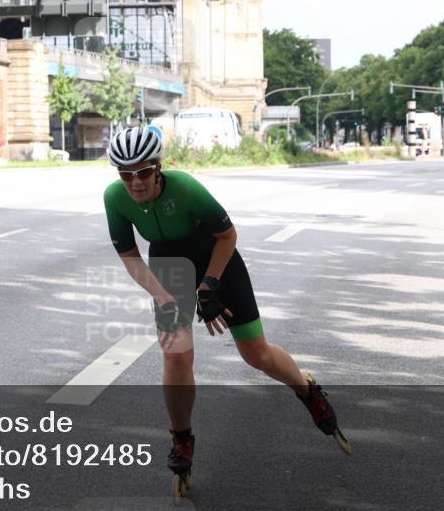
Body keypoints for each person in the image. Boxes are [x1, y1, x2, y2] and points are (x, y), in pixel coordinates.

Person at [102, 126, 349, 488]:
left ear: (157, 167)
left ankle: (307, 389)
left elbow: (227, 236)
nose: (135, 182)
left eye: (142, 172)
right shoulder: (115, 198)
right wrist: (165, 298)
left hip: (216, 257)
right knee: (175, 355)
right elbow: (130, 257)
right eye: (126, 174)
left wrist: (210, 285)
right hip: (169, 265)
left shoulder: (186, 188)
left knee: (256, 354)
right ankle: (182, 439)